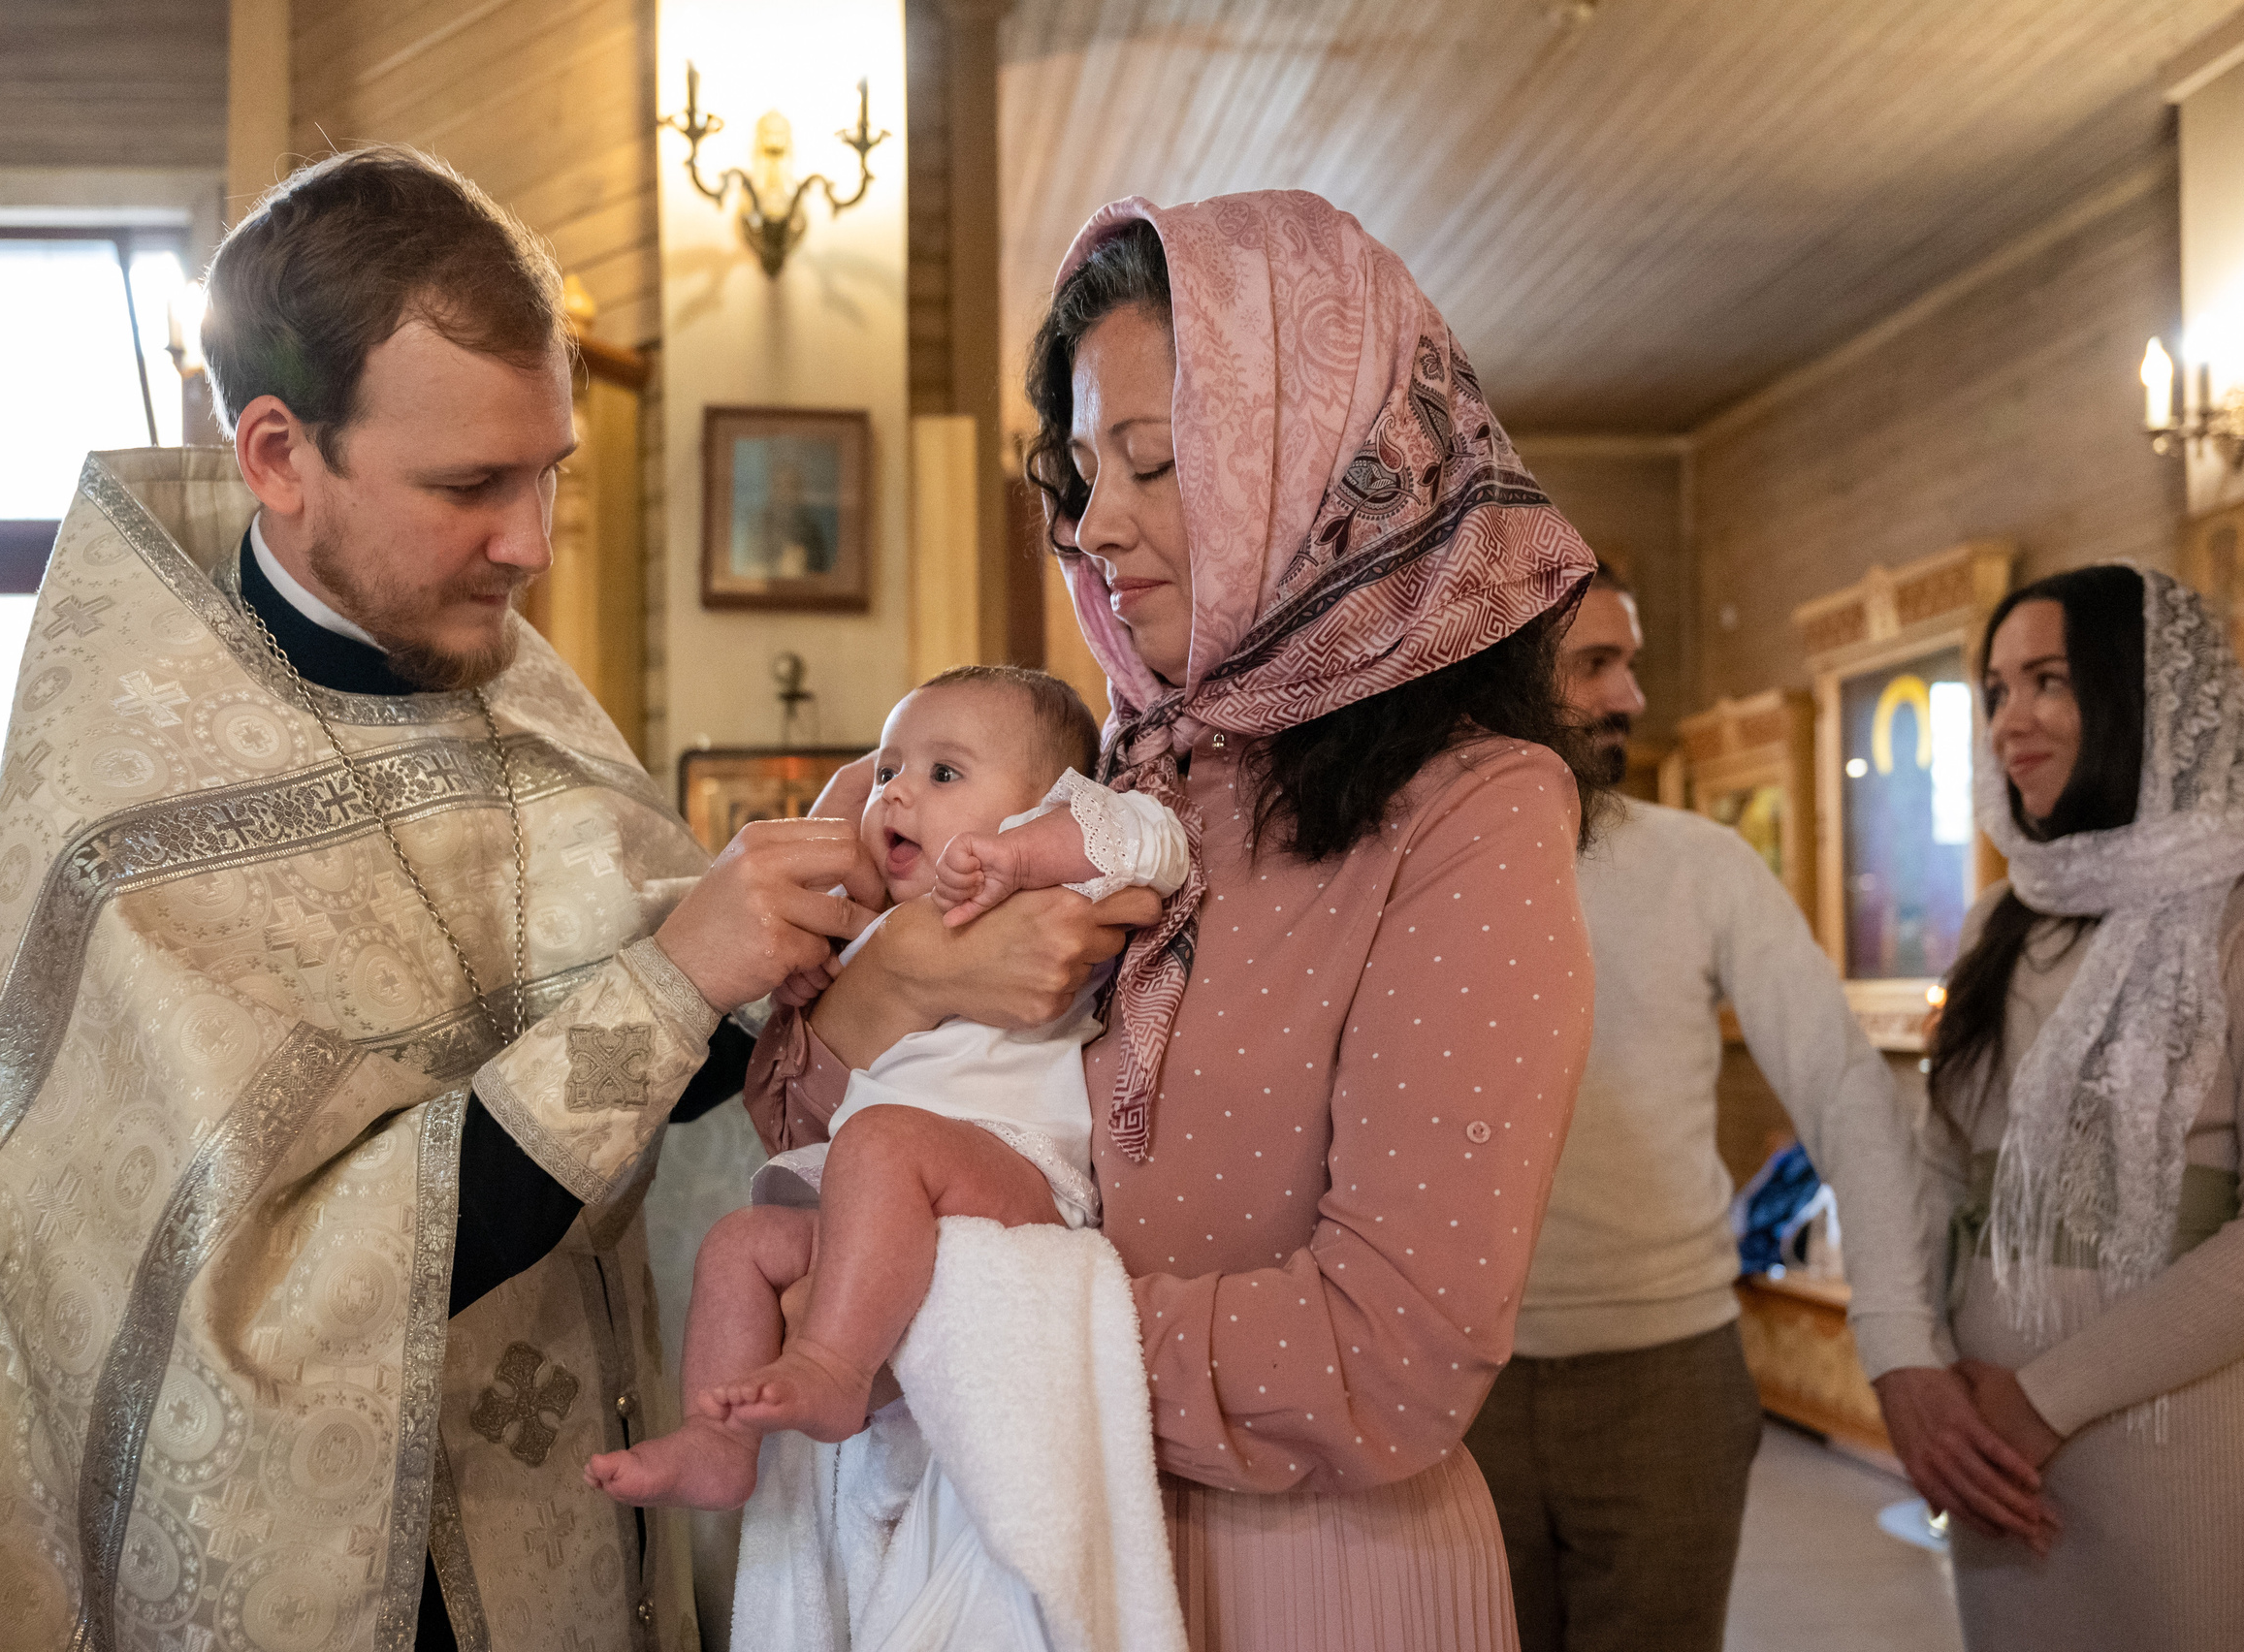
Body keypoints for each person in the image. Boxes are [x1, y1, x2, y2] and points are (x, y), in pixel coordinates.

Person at [0, 147, 1144, 1652]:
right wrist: (695, 976)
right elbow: (239, 1311)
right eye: (469, 485)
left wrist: (897, 970)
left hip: (564, 1518)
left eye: (548, 471)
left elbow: (687, 1098)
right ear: (281, 456)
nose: (531, 544)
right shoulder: (123, 827)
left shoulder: (495, 684)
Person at [750, 191, 1599, 1650]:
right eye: (1081, 472)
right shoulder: (1107, 780)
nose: (1095, 527)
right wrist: (893, 987)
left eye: (1156, 464)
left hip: (1300, 1575)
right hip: (1023, 1542)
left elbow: (1387, 1356)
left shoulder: (1474, 811)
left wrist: (934, 1320)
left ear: (1322, 466)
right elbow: (814, 1131)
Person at [1461, 561, 2026, 1652]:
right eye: (1596, 664)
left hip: (1665, 1377)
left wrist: (1898, 1346)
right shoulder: (1410, 867)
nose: (1629, 696)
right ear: (1508, 670)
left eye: (1631, 664)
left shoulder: (1701, 867)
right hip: (1452, 1380)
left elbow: (1841, 1086)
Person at [586, 665, 1186, 1509]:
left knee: (880, 1140)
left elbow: (1150, 841)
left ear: (1049, 803)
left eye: (943, 773)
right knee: (740, 1244)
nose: (898, 793)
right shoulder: (876, 930)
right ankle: (716, 1442)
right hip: (876, 1202)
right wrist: (807, 984)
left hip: (1014, 1177)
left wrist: (1023, 849)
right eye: (888, 771)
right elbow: (801, 1068)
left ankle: (833, 1366)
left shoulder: (1052, 887)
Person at [1919, 564, 2244, 1651]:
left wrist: (2046, 1397)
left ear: (2138, 696)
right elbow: (1939, 1166)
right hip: (1989, 1452)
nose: (2012, 721)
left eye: (2048, 682)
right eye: (1997, 690)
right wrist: (1926, 1380)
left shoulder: (2232, 913)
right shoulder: (1996, 923)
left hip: (2179, 1438)